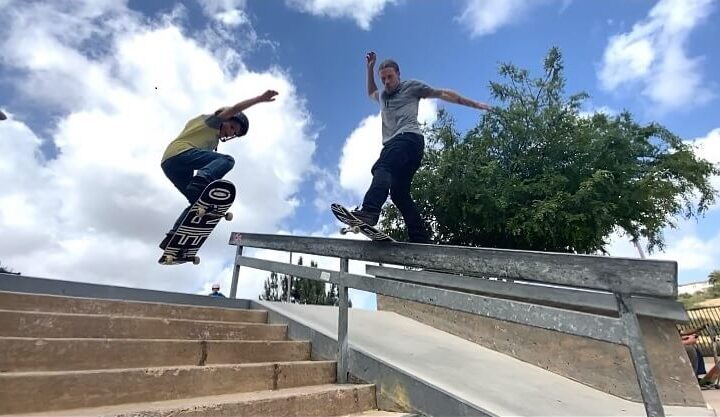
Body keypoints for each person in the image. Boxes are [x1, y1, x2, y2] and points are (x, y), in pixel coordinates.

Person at [350, 51, 491, 243]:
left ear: (399, 74)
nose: (387, 82)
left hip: (407, 139)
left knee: (382, 167)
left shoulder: (411, 87)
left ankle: (369, 211)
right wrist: (369, 69)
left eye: (390, 77)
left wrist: (473, 104)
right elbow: (370, 92)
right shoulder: (383, 95)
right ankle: (420, 238)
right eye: (383, 79)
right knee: (399, 194)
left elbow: (442, 93)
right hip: (407, 149)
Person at [159, 90, 278, 249]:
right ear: (227, 119)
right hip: (180, 154)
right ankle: (201, 180)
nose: (231, 133)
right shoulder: (213, 121)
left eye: (235, 133)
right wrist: (259, 99)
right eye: (233, 127)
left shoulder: (213, 141)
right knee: (227, 160)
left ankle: (173, 238)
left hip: (171, 165)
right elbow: (235, 108)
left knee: (198, 203)